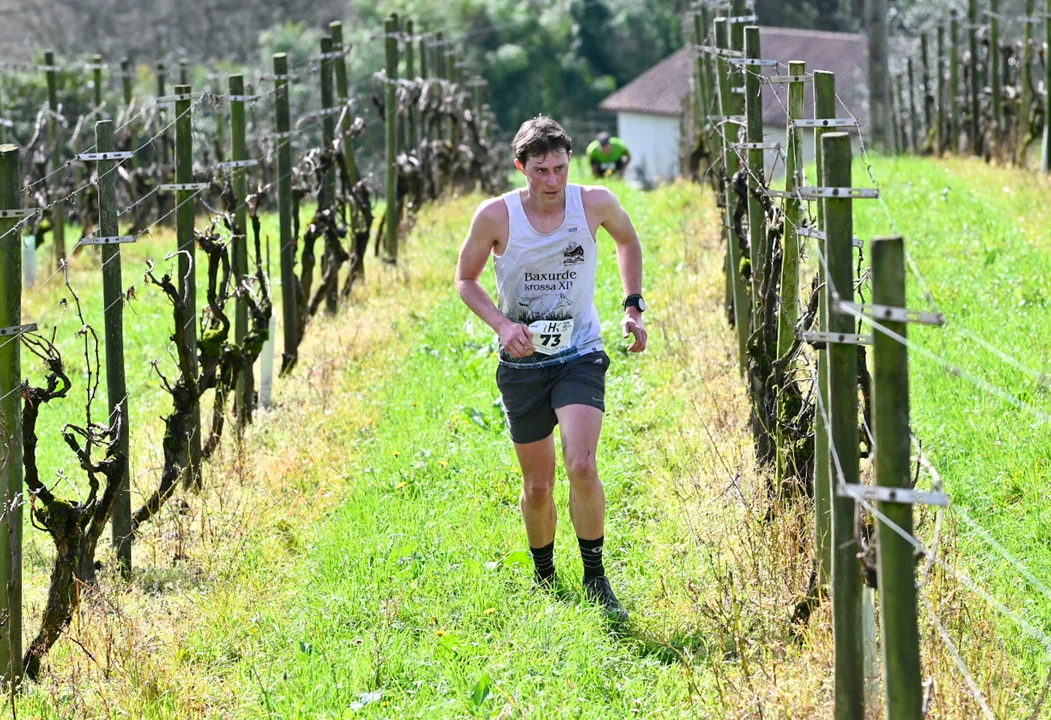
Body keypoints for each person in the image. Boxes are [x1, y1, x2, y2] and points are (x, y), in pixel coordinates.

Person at [455, 116, 647, 621]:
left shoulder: (594, 203)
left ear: (570, 162)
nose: (553, 180)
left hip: (580, 352)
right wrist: (502, 325)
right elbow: (465, 279)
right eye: (540, 170)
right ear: (521, 167)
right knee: (538, 486)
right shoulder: (496, 216)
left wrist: (632, 305)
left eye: (560, 168)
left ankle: (596, 577)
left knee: (581, 465)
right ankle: (544, 576)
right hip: (523, 364)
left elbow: (628, 240)